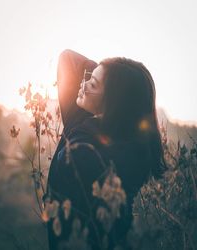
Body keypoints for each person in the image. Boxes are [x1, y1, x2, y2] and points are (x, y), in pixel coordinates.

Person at [45, 49, 166, 250]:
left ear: (113, 102)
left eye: (91, 84)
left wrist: (107, 77)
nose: (82, 85)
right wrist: (107, 72)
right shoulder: (84, 118)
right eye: (87, 79)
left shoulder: (106, 152)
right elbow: (68, 58)